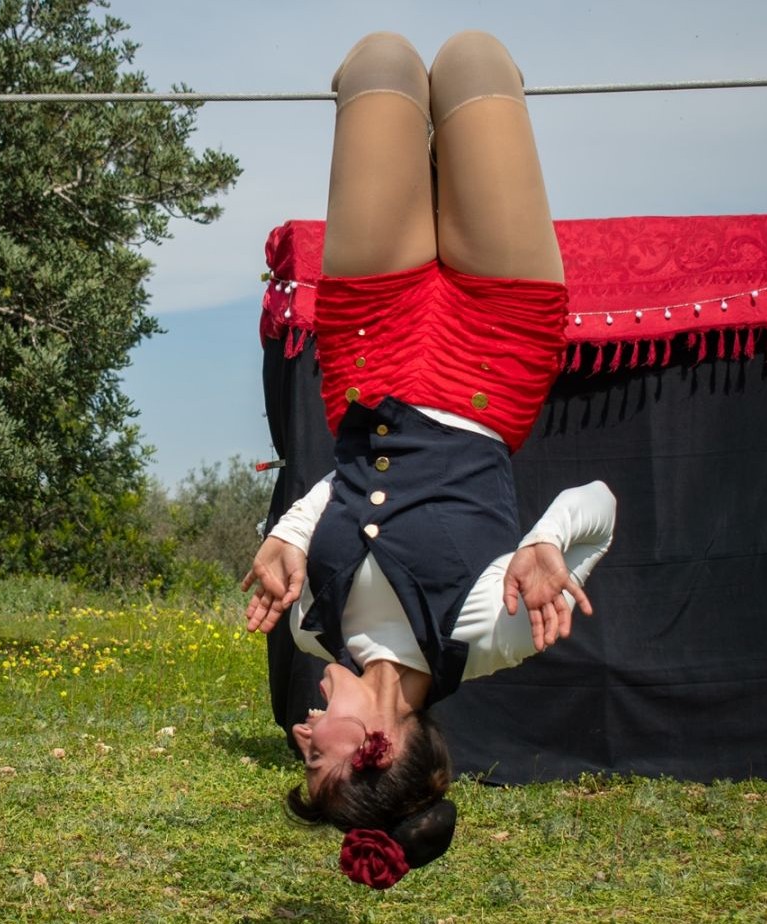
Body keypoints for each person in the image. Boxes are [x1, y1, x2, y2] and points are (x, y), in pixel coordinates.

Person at [242, 30, 617, 890]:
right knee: (476, 64)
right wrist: (547, 542)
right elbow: (597, 502)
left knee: (378, 64)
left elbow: (348, 488)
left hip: (368, 354)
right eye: (315, 761)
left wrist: (294, 537)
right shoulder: (487, 638)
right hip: (495, 348)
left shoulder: (310, 625)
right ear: (372, 749)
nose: (299, 738)